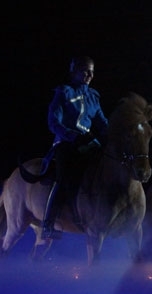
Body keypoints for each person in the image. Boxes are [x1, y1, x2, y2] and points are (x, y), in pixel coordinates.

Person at [42, 56, 109, 239]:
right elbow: (53, 122)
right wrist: (71, 136)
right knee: (64, 179)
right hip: (66, 143)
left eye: (92, 71)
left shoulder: (93, 96)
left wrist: (116, 133)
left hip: (87, 143)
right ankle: (48, 223)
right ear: (75, 71)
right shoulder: (64, 92)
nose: (90, 75)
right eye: (85, 70)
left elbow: (102, 123)